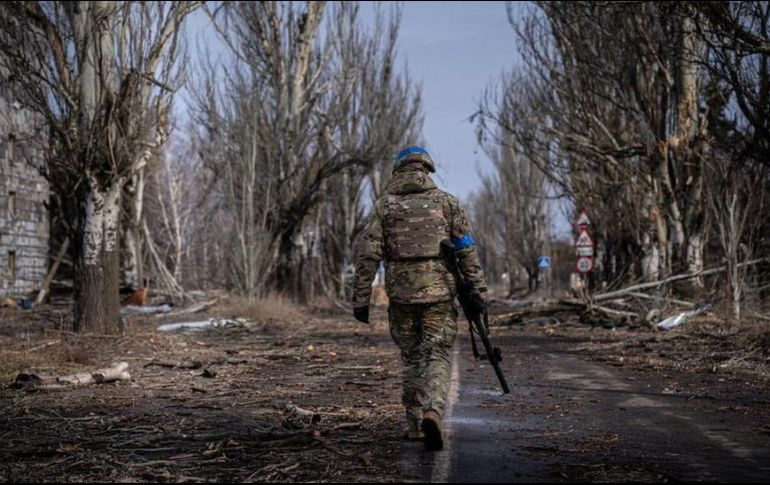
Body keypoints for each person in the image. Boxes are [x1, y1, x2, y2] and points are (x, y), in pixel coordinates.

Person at [352, 146, 487, 451]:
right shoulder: (447, 203)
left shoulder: (384, 207)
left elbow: (368, 254)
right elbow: (466, 249)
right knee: (437, 354)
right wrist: (478, 291)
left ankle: (414, 425)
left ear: (398, 171)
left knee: (412, 357)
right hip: (439, 294)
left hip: (400, 296)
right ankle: (434, 412)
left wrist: (361, 299)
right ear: (427, 170)